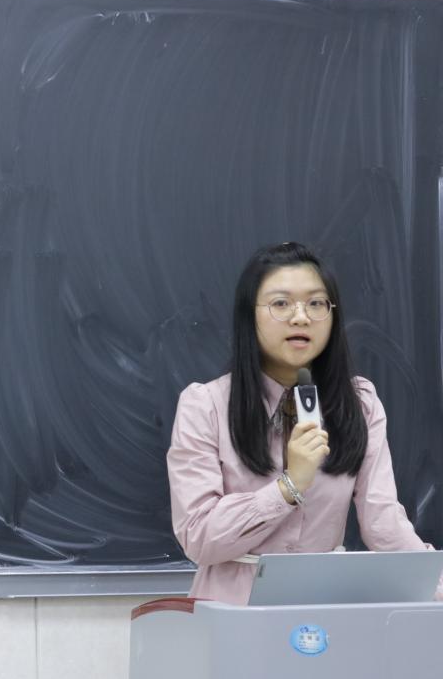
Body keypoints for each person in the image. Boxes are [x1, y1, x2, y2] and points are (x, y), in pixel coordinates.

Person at [167, 242, 432, 605]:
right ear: (249, 316)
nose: (301, 317)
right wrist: (288, 487)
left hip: (322, 607)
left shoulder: (360, 403)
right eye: (281, 304)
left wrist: (434, 583)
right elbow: (198, 537)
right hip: (231, 608)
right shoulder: (205, 405)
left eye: (316, 304)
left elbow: (383, 522)